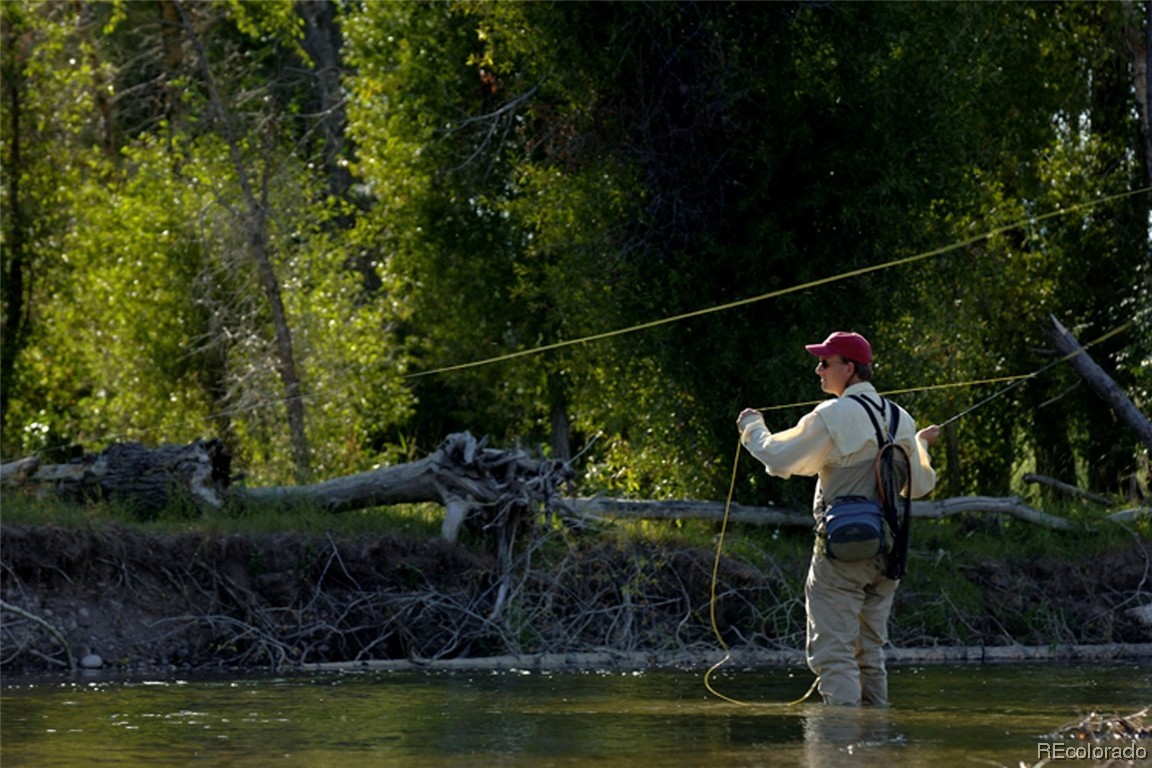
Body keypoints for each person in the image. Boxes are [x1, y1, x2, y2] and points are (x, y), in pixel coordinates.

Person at [736, 331, 939, 706]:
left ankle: (840, 749)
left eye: (825, 362)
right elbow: (919, 486)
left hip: (841, 559)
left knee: (835, 658)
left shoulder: (833, 416)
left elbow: (779, 460)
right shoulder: (902, 418)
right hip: (887, 558)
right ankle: (876, 746)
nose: (818, 369)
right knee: (870, 656)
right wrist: (921, 445)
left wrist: (753, 427)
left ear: (849, 368)